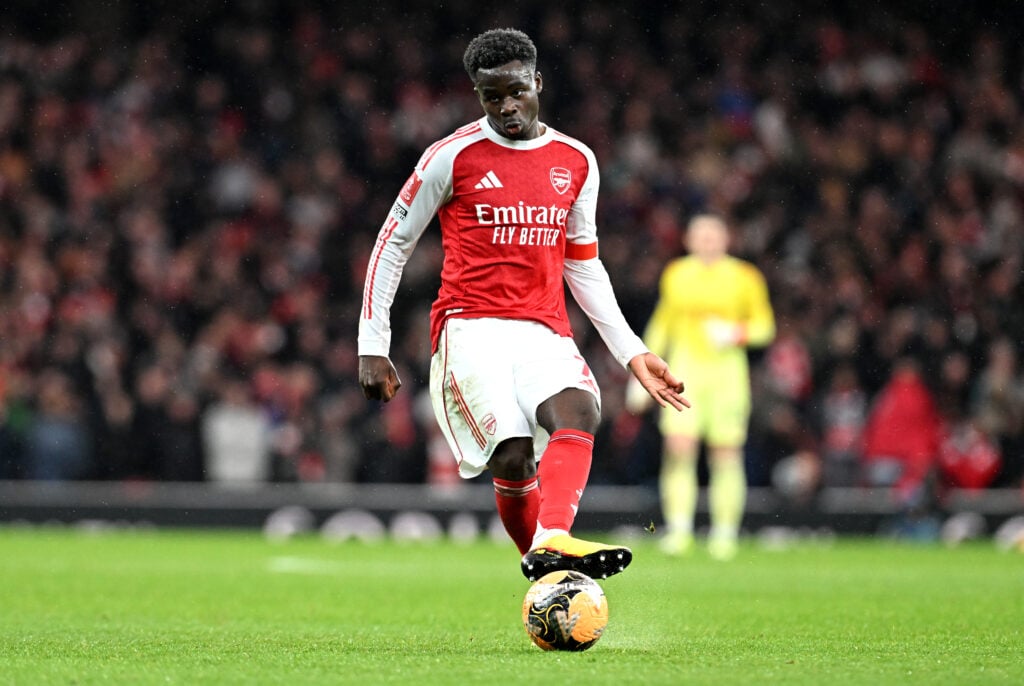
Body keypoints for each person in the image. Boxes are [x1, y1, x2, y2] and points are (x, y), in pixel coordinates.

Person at [358, 28, 688, 581]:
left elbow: (582, 264)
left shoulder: (576, 160)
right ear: (478, 96)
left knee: (581, 409)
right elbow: (392, 244)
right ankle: (548, 574)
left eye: (516, 91)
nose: (507, 106)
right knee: (511, 455)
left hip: (543, 329)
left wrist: (633, 353)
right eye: (492, 96)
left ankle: (554, 539)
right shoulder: (450, 157)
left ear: (537, 82)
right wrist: (373, 344)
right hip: (469, 328)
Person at [628, 214, 775, 560]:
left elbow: (765, 327)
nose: (708, 242)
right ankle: (679, 531)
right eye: (701, 236)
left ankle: (724, 534)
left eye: (714, 236)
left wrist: (735, 333)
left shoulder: (745, 277)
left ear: (726, 239)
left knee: (726, 453)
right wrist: (642, 371)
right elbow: (663, 325)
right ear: (689, 241)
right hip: (685, 370)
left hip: (727, 375)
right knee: (679, 448)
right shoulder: (676, 274)